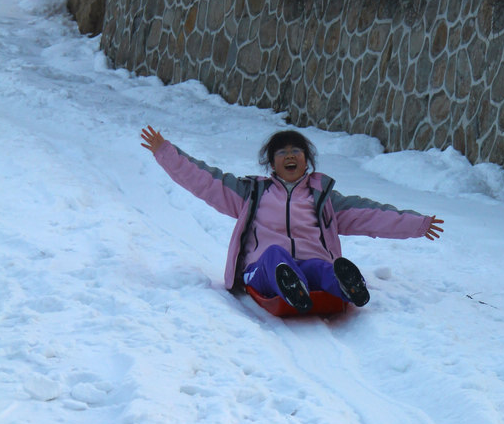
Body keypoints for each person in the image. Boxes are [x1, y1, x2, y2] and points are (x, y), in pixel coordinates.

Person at [140, 125, 444, 313]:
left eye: (296, 151)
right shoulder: (253, 194)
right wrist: (165, 152)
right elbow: (205, 180)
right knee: (275, 256)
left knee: (322, 268)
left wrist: (417, 224)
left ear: (306, 161)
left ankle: (346, 286)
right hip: (261, 271)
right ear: (271, 162)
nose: (290, 156)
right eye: (282, 152)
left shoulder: (322, 199)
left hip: (310, 266)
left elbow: (370, 215)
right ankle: (289, 284)